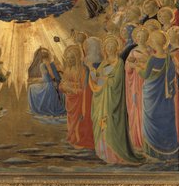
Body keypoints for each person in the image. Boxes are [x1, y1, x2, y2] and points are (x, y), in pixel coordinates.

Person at [89, 35, 141, 164]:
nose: (110, 48)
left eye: (112, 46)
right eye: (108, 46)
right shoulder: (104, 62)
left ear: (117, 48)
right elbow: (97, 79)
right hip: (101, 99)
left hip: (112, 100)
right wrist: (92, 71)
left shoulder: (119, 63)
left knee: (110, 124)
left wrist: (104, 79)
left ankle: (114, 154)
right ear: (105, 49)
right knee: (101, 124)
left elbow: (116, 82)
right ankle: (103, 153)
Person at [137, 30, 179, 160]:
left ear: (155, 43)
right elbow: (171, 76)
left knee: (152, 120)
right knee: (165, 120)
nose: (149, 42)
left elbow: (145, 75)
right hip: (165, 98)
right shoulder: (169, 58)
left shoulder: (152, 59)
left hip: (152, 96)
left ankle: (153, 153)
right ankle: (169, 152)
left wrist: (137, 68)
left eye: (151, 40)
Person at [60, 45, 94, 149]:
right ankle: (72, 137)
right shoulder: (67, 70)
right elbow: (62, 84)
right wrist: (65, 87)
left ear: (77, 58)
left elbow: (84, 88)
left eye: (72, 58)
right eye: (68, 58)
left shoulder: (83, 70)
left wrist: (70, 87)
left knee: (79, 120)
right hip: (70, 100)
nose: (69, 60)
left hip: (79, 100)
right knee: (71, 120)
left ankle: (79, 139)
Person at [124, 26, 150, 151]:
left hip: (148, 82)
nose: (140, 38)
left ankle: (147, 140)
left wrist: (142, 64)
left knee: (147, 109)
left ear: (147, 38)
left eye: (143, 36)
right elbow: (127, 69)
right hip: (136, 83)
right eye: (138, 36)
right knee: (136, 108)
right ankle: (137, 139)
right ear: (135, 38)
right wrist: (131, 65)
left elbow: (153, 65)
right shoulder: (133, 51)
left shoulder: (151, 51)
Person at [28, 47, 66, 116]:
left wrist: (36, 80)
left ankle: (37, 108)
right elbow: (56, 74)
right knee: (33, 85)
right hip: (56, 84)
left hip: (50, 86)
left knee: (31, 87)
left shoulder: (42, 65)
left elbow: (47, 78)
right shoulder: (53, 64)